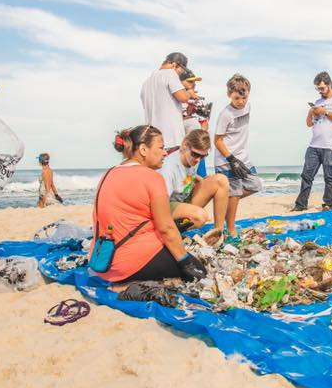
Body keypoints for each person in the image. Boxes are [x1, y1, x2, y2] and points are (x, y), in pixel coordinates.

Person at [90, 124, 207, 283]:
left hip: (101, 261)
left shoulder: (109, 173)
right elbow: (166, 228)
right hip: (130, 263)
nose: (165, 152)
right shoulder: (153, 178)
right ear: (143, 150)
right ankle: (125, 286)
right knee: (199, 271)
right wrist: (185, 261)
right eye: (161, 147)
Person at [214, 74, 262, 243]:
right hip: (227, 160)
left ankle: (223, 200)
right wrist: (231, 159)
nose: (240, 101)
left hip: (243, 158)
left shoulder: (248, 106)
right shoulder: (225, 114)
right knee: (233, 193)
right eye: (236, 98)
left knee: (255, 184)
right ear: (229, 95)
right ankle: (231, 229)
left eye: (244, 97)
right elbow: (217, 140)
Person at [292, 71, 332, 212]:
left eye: (322, 88)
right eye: (318, 89)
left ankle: (328, 205)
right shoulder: (318, 102)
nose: (320, 91)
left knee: (329, 177)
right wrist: (311, 112)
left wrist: (325, 112)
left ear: (330, 85)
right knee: (306, 175)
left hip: (331, 146)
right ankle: (301, 204)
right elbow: (309, 124)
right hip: (314, 145)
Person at [159, 129, 229, 238]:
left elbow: (186, 176)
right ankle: (171, 232)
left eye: (202, 156)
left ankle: (217, 234)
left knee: (221, 180)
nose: (198, 160)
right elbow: (160, 204)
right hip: (168, 205)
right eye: (195, 154)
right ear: (185, 145)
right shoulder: (169, 168)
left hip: (184, 198)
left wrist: (203, 181)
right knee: (200, 217)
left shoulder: (192, 159)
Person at [139, 52, 197, 154]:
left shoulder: (146, 82)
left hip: (153, 139)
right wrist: (190, 93)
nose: (180, 74)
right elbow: (182, 97)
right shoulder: (170, 73)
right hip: (172, 138)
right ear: (175, 65)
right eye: (181, 71)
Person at [179, 69, 211, 177]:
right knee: (182, 178)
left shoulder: (200, 100)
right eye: (190, 81)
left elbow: (204, 123)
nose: (194, 84)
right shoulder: (175, 100)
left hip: (196, 147)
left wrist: (201, 141)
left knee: (200, 176)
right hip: (180, 147)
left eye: (194, 82)